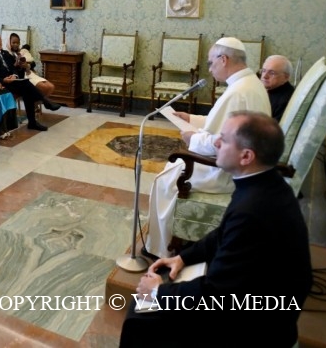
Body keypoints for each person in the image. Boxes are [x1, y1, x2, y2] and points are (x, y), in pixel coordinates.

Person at [120, 112, 312, 348]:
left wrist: (159, 292)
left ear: (246, 156)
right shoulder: (263, 184)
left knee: (139, 316)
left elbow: (217, 294)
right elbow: (223, 233)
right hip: (253, 301)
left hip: (257, 326)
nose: (217, 143)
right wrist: (183, 257)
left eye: (224, 139)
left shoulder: (252, 210)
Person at [144, 37, 271, 259]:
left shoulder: (238, 92)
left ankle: (162, 249)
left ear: (224, 59)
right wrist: (191, 118)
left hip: (225, 171)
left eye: (211, 63)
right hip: (242, 163)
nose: (210, 69)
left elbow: (222, 144)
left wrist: (192, 138)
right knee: (170, 171)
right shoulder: (249, 84)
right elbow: (225, 125)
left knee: (165, 180)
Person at [0, 32, 59, 132]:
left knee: (27, 89)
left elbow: (13, 68)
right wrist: (4, 80)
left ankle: (33, 121)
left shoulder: (5, 53)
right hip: (2, 83)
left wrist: (14, 75)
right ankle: (44, 103)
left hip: (13, 80)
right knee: (26, 85)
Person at [7, 33, 55, 97]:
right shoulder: (6, 54)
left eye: (17, 43)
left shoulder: (21, 52)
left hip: (28, 72)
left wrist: (27, 65)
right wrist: (17, 63)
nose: (16, 44)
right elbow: (10, 69)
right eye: (14, 43)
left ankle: (41, 100)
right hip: (21, 76)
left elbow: (33, 63)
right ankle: (41, 100)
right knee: (44, 87)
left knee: (51, 86)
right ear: (9, 43)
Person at [260, 55, 295, 122]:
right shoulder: (269, 89)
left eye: (272, 73)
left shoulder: (286, 100)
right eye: (263, 71)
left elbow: (272, 126)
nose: (265, 76)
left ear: (286, 77)